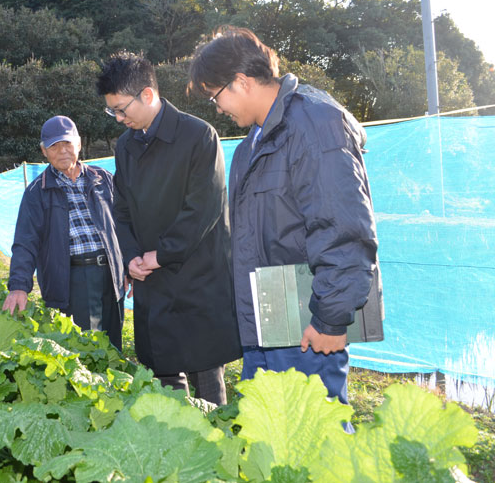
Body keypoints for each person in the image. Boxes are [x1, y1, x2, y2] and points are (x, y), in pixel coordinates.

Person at [188, 26, 380, 406]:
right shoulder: (250, 146)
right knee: (268, 444)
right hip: (267, 324)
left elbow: (342, 228)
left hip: (307, 328)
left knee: (314, 443)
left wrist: (329, 318)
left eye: (215, 97)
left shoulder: (315, 123)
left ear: (241, 82)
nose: (219, 108)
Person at [96, 51, 242, 405]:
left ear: (147, 94)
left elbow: (202, 209)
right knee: (163, 371)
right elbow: (122, 208)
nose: (118, 118)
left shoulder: (198, 136)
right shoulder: (126, 146)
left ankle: (215, 448)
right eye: (111, 110)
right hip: (151, 277)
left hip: (195, 276)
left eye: (121, 109)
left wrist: (159, 255)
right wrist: (131, 256)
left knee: (206, 372)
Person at [2, 115, 125, 350]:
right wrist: (19, 285)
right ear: (44, 151)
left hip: (111, 273)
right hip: (72, 278)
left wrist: (126, 264)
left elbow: (122, 223)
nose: (62, 151)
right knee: (83, 350)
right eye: (54, 146)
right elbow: (25, 242)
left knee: (113, 346)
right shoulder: (37, 192)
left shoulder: (102, 179)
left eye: (67, 144)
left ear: (78, 144)